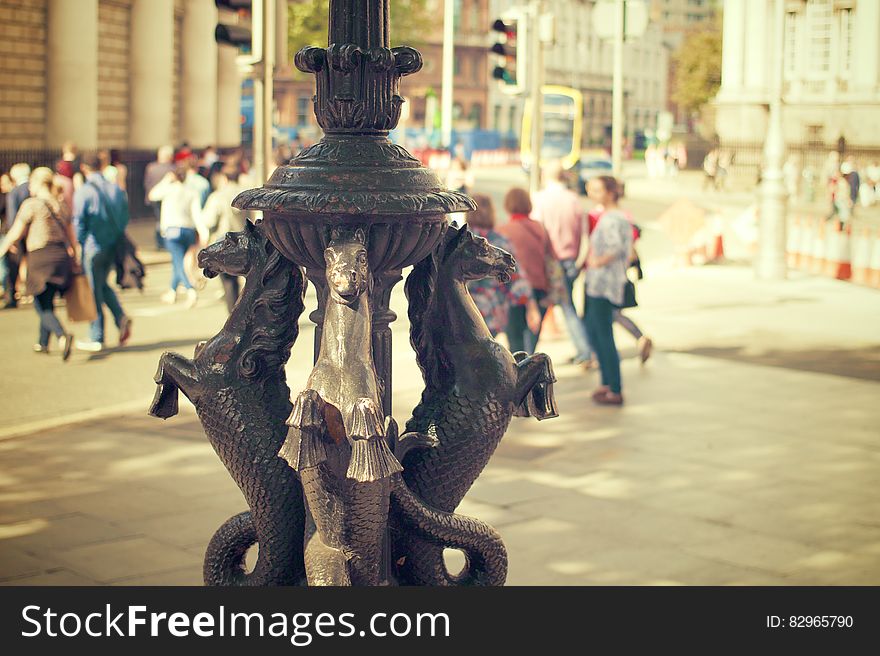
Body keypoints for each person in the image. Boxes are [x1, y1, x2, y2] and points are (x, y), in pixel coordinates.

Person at [0, 168, 77, 359]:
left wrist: (3, 248)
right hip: (60, 256)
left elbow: (16, 231)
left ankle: (62, 334)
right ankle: (42, 342)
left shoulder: (32, 204)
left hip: (40, 256)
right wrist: (75, 256)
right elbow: (71, 235)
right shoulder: (60, 205)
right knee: (47, 299)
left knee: (39, 304)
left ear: (36, 183)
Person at [531, 161, 593, 366]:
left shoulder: (540, 199)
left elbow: (537, 233)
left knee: (541, 306)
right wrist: (579, 261)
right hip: (570, 261)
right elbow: (584, 235)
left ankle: (525, 352)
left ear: (544, 175)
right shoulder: (574, 200)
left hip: (549, 261)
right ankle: (584, 350)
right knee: (568, 306)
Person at [73, 153, 132, 352]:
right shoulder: (116, 189)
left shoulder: (84, 191)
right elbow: (125, 218)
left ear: (84, 168)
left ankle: (97, 335)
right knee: (101, 284)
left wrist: (78, 244)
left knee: (92, 290)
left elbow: (79, 222)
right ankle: (120, 317)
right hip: (112, 245)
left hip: (92, 246)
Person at [583, 176, 633, 406]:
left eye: (597, 189)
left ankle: (614, 386)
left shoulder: (613, 219)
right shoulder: (613, 217)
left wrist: (597, 261)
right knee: (596, 331)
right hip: (600, 283)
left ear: (611, 192)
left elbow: (616, 248)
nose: (593, 193)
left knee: (603, 335)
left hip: (604, 284)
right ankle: (607, 383)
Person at [466, 193, 541, 340]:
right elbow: (516, 277)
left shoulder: (460, 241)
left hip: (463, 310)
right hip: (493, 312)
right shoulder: (500, 242)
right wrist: (530, 305)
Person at [587, 205, 653, 364]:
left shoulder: (605, 217)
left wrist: (597, 262)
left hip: (605, 280)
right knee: (612, 315)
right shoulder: (623, 216)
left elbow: (616, 248)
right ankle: (639, 338)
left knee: (605, 319)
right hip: (616, 277)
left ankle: (596, 357)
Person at [497, 188, 555, 354]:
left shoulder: (503, 231)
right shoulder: (540, 228)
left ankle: (520, 375)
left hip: (514, 290)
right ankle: (529, 371)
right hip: (540, 287)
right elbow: (551, 258)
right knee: (532, 337)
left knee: (515, 339)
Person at [148, 166, 203, 307]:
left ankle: (190, 289)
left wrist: (165, 181)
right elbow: (196, 213)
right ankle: (172, 292)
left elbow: (152, 195)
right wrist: (202, 231)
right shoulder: (192, 192)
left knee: (178, 262)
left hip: (172, 230)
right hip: (188, 229)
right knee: (177, 262)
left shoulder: (168, 189)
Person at [201, 168, 245, 312]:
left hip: (224, 242)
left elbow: (208, 220)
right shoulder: (245, 194)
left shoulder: (217, 196)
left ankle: (234, 313)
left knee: (228, 282)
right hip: (244, 240)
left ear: (224, 178)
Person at [2, 162, 31, 309]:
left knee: (13, 266)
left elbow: (13, 217)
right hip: (33, 234)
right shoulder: (33, 188)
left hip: (19, 234)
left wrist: (12, 239)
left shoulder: (15, 192)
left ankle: (12, 296)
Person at [144, 145, 175, 249]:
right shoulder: (172, 168)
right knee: (166, 220)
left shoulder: (151, 168)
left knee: (158, 220)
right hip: (168, 198)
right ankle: (164, 242)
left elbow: (147, 183)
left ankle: (159, 242)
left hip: (154, 197)